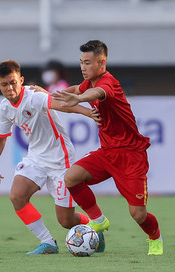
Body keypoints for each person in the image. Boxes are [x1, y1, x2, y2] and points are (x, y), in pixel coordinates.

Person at [51, 40, 163, 255]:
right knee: (71, 177)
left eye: (87, 63)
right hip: (107, 153)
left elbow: (98, 93)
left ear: (101, 62)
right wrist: (60, 94)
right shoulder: (89, 83)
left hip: (131, 156)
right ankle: (98, 220)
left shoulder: (108, 82)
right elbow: (79, 89)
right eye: (81, 62)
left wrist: (80, 98)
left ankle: (155, 237)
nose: (83, 67)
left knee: (138, 214)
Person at [0, 59, 103, 255]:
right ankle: (48, 242)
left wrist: (89, 113)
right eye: (5, 84)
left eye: (13, 82)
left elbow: (62, 105)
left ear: (21, 80)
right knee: (17, 196)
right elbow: (0, 139)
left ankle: (95, 230)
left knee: (66, 221)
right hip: (36, 158)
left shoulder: (34, 97)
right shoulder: (4, 107)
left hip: (60, 159)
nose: (10, 88)